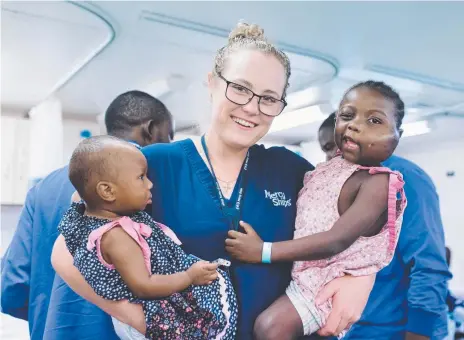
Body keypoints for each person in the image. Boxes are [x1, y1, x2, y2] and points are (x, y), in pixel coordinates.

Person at [52, 21, 377, 339]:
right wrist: (140, 320)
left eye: (268, 98)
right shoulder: (153, 164)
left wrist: (361, 278)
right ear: (211, 83)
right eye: (239, 88)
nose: (252, 108)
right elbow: (66, 254)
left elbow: (363, 220)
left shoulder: (292, 170)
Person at [227, 80, 408, 339]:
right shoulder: (326, 170)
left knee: (270, 327)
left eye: (375, 121)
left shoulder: (379, 182)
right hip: (304, 276)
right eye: (347, 115)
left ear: (398, 135)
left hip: (325, 284)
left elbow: (336, 240)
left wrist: (262, 251)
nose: (355, 124)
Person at [1, 90, 174, 340]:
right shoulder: (158, 180)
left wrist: (55, 316)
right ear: (150, 129)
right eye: (168, 136)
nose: (169, 146)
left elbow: (12, 291)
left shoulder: (43, 190)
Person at [58, 135, 237, 339]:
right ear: (107, 191)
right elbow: (145, 286)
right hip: (150, 317)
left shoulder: (95, 216)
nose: (150, 184)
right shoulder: (117, 237)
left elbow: (77, 201)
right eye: (141, 177)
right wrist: (189, 277)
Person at [317, 106, 451, 339]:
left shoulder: (404, 179)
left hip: (399, 331)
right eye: (326, 150)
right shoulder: (352, 184)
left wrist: (420, 332)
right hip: (360, 328)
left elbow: (427, 265)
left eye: (334, 146)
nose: (330, 158)